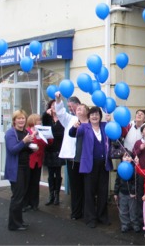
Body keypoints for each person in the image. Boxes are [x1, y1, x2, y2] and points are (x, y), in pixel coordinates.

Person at [69, 106, 112, 228]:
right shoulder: (84, 127)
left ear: (100, 116)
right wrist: (74, 127)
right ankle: (90, 218)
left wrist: (111, 121)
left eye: (97, 114)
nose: (94, 116)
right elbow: (72, 134)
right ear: (89, 116)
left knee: (103, 191)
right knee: (89, 192)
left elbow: (115, 135)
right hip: (90, 164)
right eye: (92, 114)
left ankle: (102, 216)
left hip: (104, 164)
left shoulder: (105, 126)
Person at [54, 91, 88, 220]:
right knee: (75, 186)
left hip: (84, 157)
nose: (71, 109)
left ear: (79, 106)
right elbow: (60, 113)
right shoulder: (69, 119)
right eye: (69, 107)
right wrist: (58, 101)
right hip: (72, 158)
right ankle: (76, 212)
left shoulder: (88, 120)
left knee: (85, 186)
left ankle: (86, 211)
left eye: (72, 106)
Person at [5, 109, 37, 231]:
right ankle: (13, 224)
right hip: (15, 168)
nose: (21, 120)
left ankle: (19, 221)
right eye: (19, 118)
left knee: (22, 195)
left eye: (23, 118)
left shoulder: (25, 132)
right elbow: (13, 150)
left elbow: (25, 149)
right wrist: (24, 142)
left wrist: (32, 148)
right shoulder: (10, 133)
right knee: (17, 196)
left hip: (25, 166)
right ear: (14, 120)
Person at [23, 114, 49, 212]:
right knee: (27, 183)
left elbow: (47, 143)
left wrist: (47, 136)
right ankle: (25, 203)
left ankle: (34, 203)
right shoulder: (27, 132)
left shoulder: (41, 131)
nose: (40, 122)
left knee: (35, 183)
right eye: (38, 120)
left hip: (38, 160)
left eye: (40, 120)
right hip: (30, 160)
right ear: (33, 121)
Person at [42, 100, 65, 206]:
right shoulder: (48, 118)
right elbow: (44, 128)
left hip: (59, 149)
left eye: (56, 105)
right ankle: (51, 195)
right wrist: (46, 114)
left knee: (58, 173)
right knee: (50, 174)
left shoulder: (62, 118)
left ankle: (57, 195)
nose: (54, 107)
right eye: (52, 105)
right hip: (49, 149)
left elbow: (62, 133)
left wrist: (53, 134)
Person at [113, 151, 140, 233]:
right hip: (122, 193)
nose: (127, 158)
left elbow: (135, 182)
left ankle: (135, 224)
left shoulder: (134, 169)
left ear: (132, 159)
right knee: (123, 210)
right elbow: (117, 182)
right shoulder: (120, 169)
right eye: (125, 156)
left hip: (132, 195)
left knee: (133, 210)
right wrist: (115, 193)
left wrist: (133, 192)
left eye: (129, 156)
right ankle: (125, 224)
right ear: (122, 158)